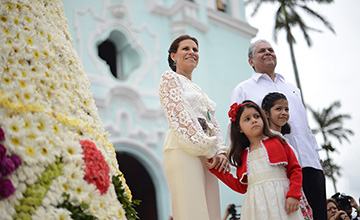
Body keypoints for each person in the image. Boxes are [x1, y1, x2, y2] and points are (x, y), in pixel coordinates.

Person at [230, 39, 327, 220]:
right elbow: (236, 127)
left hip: (309, 162)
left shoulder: (292, 89)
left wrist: (317, 159)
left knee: (319, 215)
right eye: (261, 51)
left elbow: (304, 126)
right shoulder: (243, 89)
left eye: (271, 50)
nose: (268, 53)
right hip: (278, 169)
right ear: (251, 61)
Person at [159, 35, 229, 220]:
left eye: (195, 50)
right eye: (186, 49)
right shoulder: (170, 78)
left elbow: (212, 122)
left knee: (212, 210)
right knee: (192, 210)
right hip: (183, 147)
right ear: (173, 56)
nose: (192, 52)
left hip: (208, 152)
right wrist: (209, 150)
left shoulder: (199, 90)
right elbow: (179, 117)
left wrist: (221, 151)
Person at [207, 101, 304, 219]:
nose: (253, 120)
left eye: (256, 116)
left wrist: (294, 195)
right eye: (247, 119)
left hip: (282, 201)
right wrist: (217, 169)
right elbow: (241, 186)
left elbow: (295, 170)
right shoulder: (242, 155)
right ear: (239, 128)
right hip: (257, 207)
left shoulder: (278, 141)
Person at [261, 92, 313, 219]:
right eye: (278, 109)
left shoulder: (284, 140)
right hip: (283, 194)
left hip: (295, 193)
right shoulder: (267, 141)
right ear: (266, 113)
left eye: (286, 109)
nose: (284, 112)